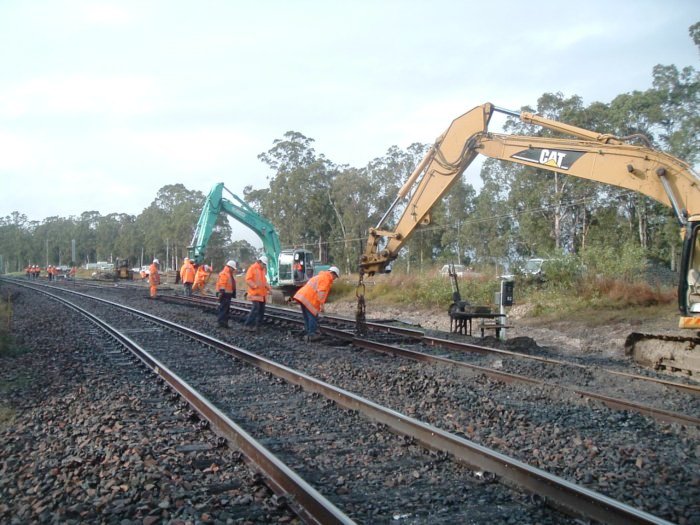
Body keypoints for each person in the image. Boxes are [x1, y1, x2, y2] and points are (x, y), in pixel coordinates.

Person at [293, 266, 340, 342]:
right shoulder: (326, 279)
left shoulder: (320, 276)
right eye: (335, 276)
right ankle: (312, 335)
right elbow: (321, 292)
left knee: (307, 317)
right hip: (310, 298)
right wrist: (321, 306)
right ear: (333, 274)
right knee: (313, 316)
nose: (334, 279)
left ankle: (308, 333)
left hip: (302, 296)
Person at [243, 255, 271, 333]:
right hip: (255, 294)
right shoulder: (252, 268)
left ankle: (258, 326)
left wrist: (269, 288)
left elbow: (264, 281)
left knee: (261, 311)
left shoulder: (262, 270)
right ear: (259, 262)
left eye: (265, 265)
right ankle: (248, 325)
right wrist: (254, 286)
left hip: (262, 295)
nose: (264, 266)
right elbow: (248, 279)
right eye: (264, 264)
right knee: (255, 309)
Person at [215, 260, 237, 328]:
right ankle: (220, 323)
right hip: (224, 294)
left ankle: (224, 323)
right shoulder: (224, 273)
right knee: (223, 309)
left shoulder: (228, 273)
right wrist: (221, 294)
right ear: (230, 267)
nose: (233, 270)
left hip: (227, 294)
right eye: (233, 268)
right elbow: (222, 284)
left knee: (226, 310)